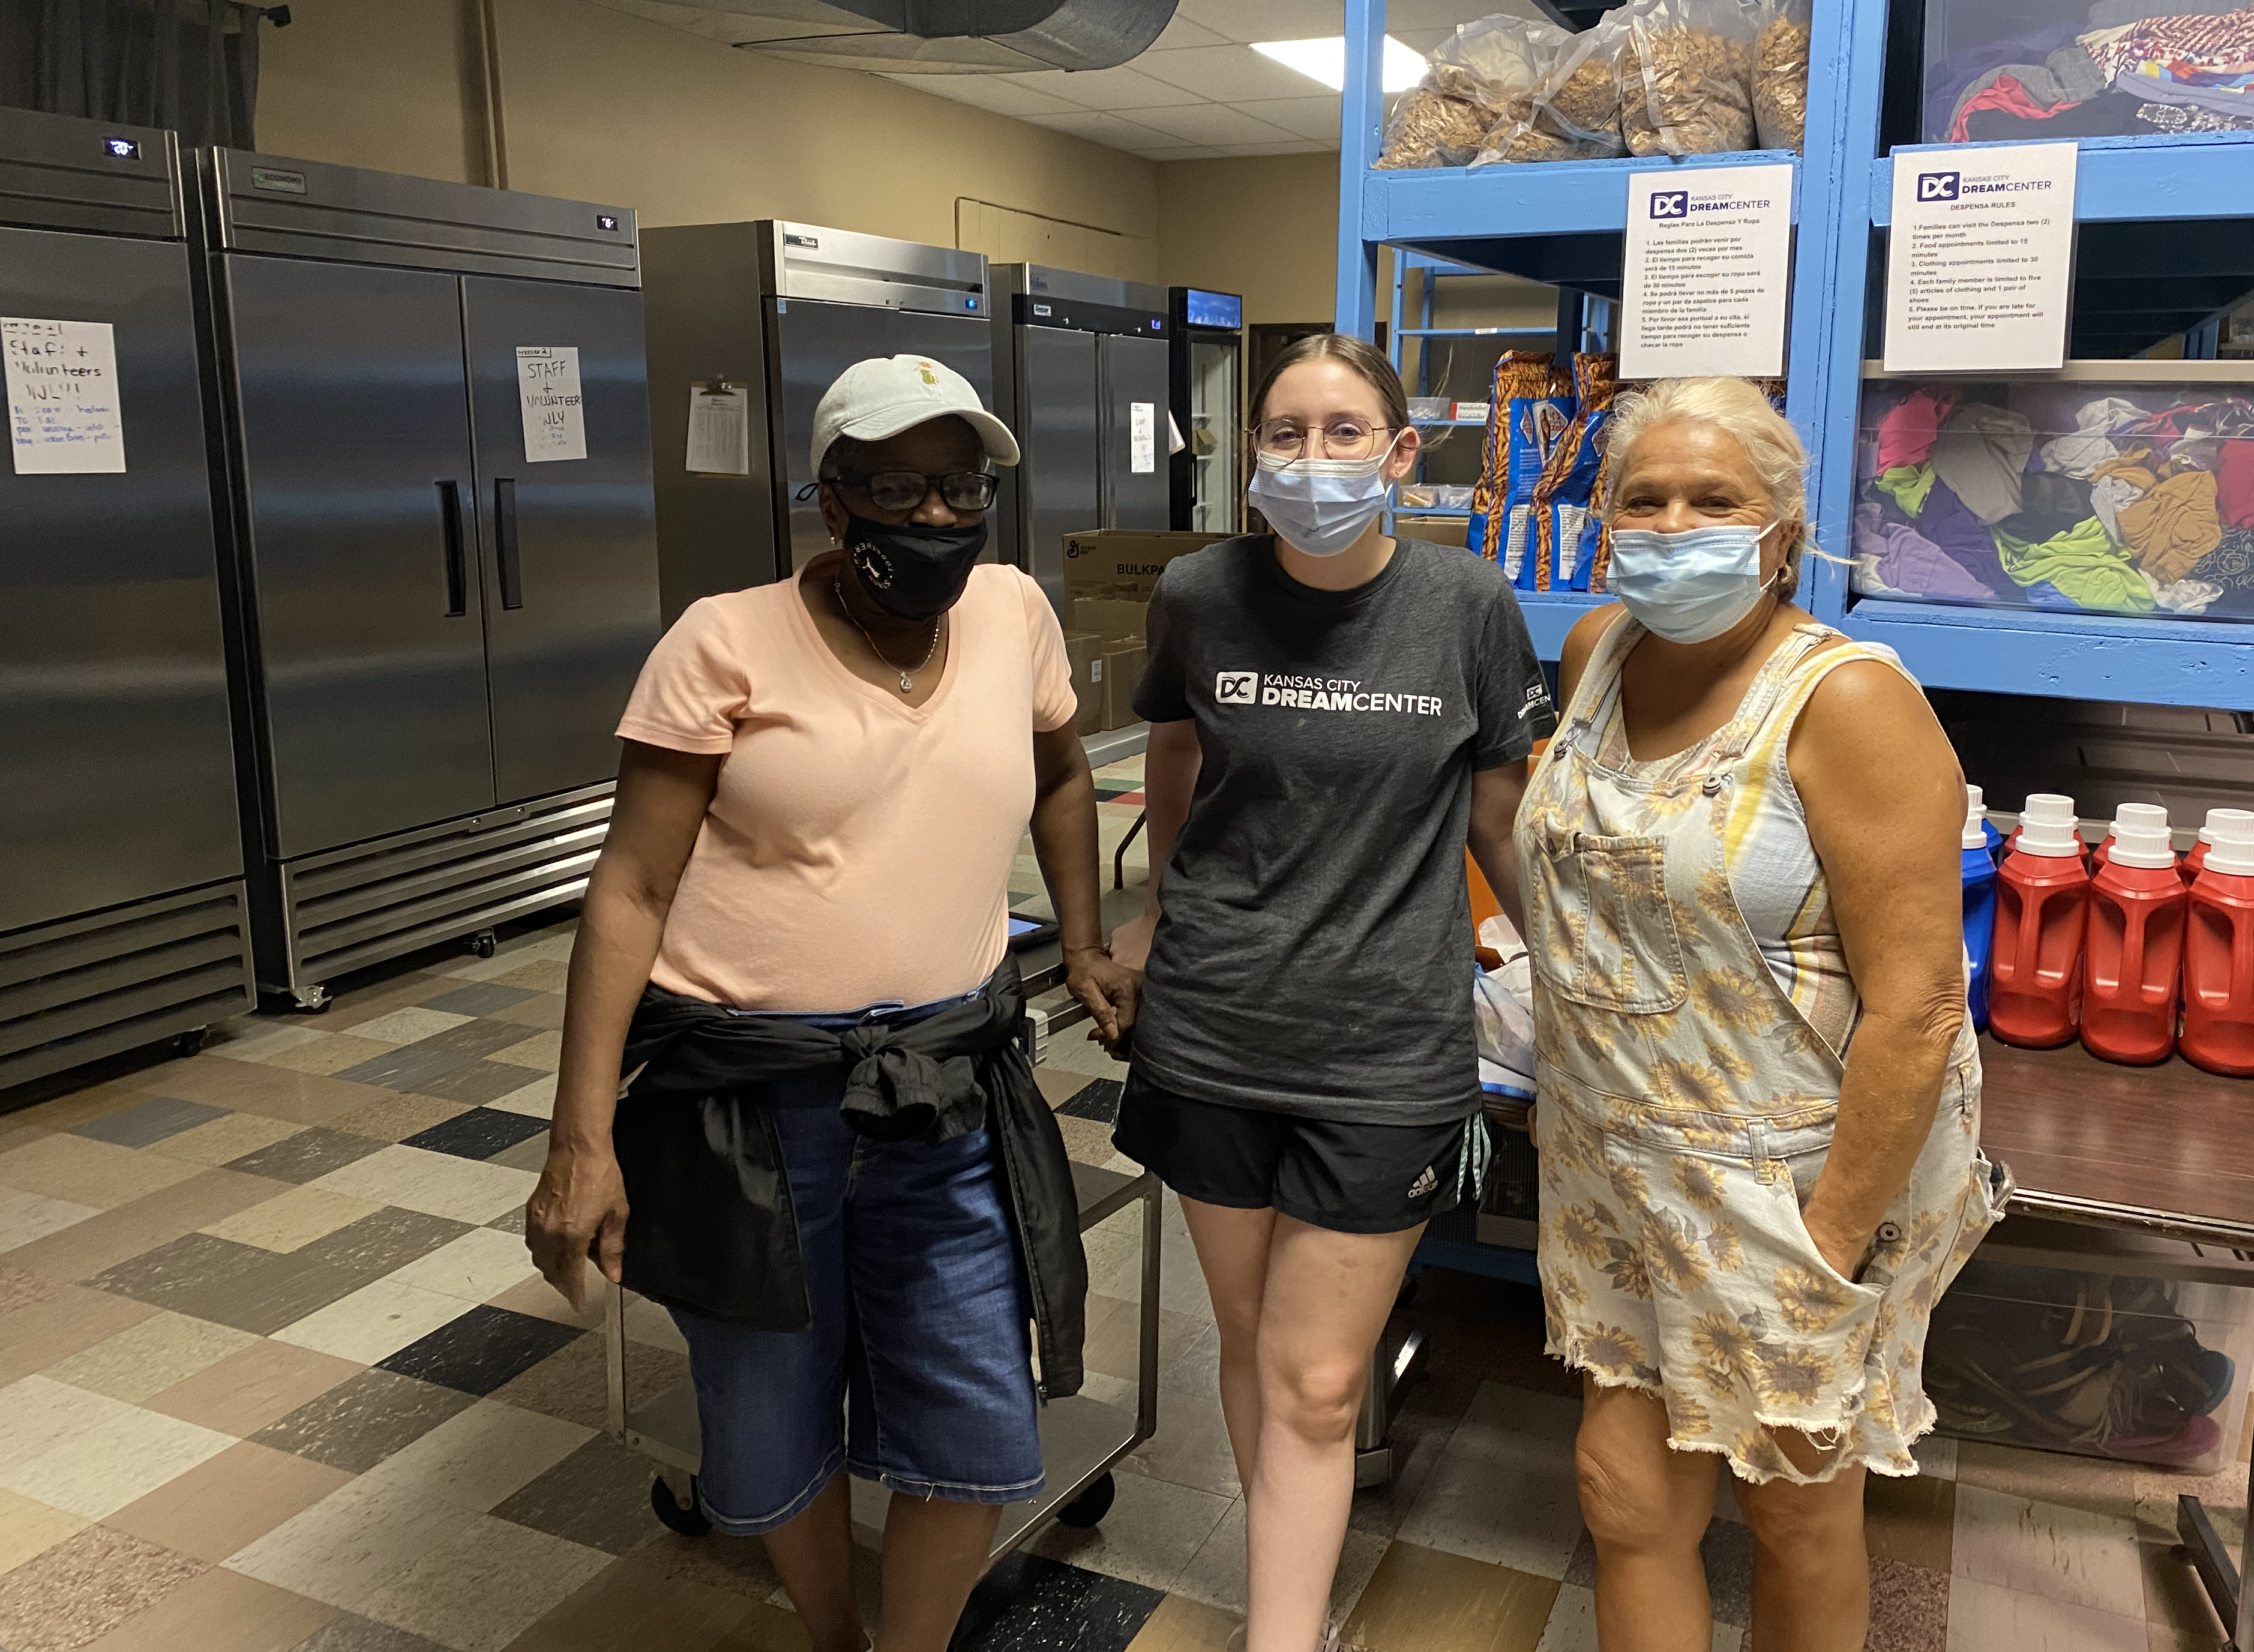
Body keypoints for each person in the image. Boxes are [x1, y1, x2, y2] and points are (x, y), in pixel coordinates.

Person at [524, 353, 1138, 1652]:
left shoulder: (1015, 614)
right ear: (831, 498)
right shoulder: (724, 640)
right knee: (766, 1412)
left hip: (950, 1092)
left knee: (975, 1414)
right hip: (750, 1103)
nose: (933, 517)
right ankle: (833, 1635)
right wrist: (580, 1140)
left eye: (959, 485)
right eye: (894, 487)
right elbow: (631, 889)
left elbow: (1066, 775)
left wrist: (1082, 942)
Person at [1519, 376, 2006, 1652]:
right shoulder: (1594, 656)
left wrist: (1823, 1254)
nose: (1676, 527)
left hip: (1795, 1188)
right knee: (1623, 1499)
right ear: (1606, 523)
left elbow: (1917, 1009)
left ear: (1782, 532)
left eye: (1714, 500)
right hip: (1617, 1166)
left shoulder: (1850, 704)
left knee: (1791, 1512)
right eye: (1646, 501)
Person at [1108, 334, 1553, 1652]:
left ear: (1403, 453)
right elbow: (1177, 752)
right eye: (1285, 433)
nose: (1311, 460)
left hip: (1383, 1048)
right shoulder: (1196, 592)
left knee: (1314, 1377)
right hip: (1211, 1029)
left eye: (1344, 432)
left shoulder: (1467, 605)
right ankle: (1283, 1603)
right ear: (1253, 454)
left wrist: (1573, 984)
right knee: (1252, 1349)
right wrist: (1153, 909)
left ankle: (1279, 1636)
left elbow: (1497, 814)